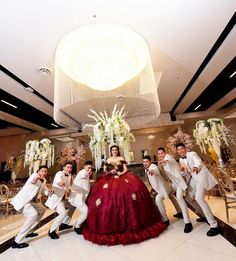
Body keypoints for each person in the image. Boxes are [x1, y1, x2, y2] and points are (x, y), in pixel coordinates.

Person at [82, 144, 166, 245]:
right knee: (105, 200)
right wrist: (110, 171)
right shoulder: (108, 159)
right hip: (109, 178)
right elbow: (105, 170)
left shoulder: (121, 158)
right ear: (110, 151)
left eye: (116, 150)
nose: (114, 151)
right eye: (113, 150)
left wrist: (121, 173)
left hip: (122, 176)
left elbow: (125, 168)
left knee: (130, 196)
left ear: (118, 151)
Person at [176, 143, 220, 237]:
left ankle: (214, 225)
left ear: (185, 148)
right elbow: (185, 173)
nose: (181, 151)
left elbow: (198, 162)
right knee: (188, 198)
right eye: (178, 150)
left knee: (199, 198)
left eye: (182, 149)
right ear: (177, 151)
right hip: (193, 179)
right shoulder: (180, 159)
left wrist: (196, 167)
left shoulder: (192, 154)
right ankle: (203, 214)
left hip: (201, 178)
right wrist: (183, 171)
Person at [11, 166, 51, 248]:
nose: (43, 173)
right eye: (42, 171)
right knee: (33, 215)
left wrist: (49, 192)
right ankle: (17, 241)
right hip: (25, 201)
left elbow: (44, 190)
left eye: (45, 171)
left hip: (33, 202)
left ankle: (29, 231)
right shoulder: (34, 176)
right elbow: (32, 181)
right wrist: (36, 179)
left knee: (42, 210)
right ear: (38, 171)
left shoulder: (44, 181)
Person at [157, 148, 193, 233]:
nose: (161, 155)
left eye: (162, 153)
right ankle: (178, 213)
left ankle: (188, 223)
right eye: (159, 154)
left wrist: (164, 161)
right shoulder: (162, 162)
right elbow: (163, 173)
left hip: (180, 182)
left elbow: (168, 160)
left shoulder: (168, 157)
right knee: (168, 194)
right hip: (173, 184)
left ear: (165, 153)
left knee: (179, 197)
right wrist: (160, 165)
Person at [143, 156, 183, 226]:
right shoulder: (146, 169)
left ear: (150, 161)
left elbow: (154, 170)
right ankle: (180, 212)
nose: (145, 163)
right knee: (171, 196)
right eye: (144, 162)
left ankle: (165, 220)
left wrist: (152, 171)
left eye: (147, 162)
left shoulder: (153, 167)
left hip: (163, 189)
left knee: (158, 200)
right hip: (161, 188)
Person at [45, 161, 75, 239]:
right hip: (56, 199)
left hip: (63, 198)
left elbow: (70, 186)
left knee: (73, 205)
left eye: (70, 167)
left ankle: (64, 224)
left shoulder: (69, 176)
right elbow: (59, 182)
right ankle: (51, 231)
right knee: (63, 213)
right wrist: (64, 186)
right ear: (64, 168)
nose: (69, 169)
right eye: (68, 167)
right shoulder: (59, 173)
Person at [68, 160, 93, 234]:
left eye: (91, 168)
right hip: (77, 198)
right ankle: (77, 226)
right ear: (84, 166)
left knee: (71, 210)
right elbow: (84, 175)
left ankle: (64, 224)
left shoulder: (86, 175)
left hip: (80, 197)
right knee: (86, 212)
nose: (90, 170)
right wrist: (87, 173)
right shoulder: (82, 172)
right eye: (88, 168)